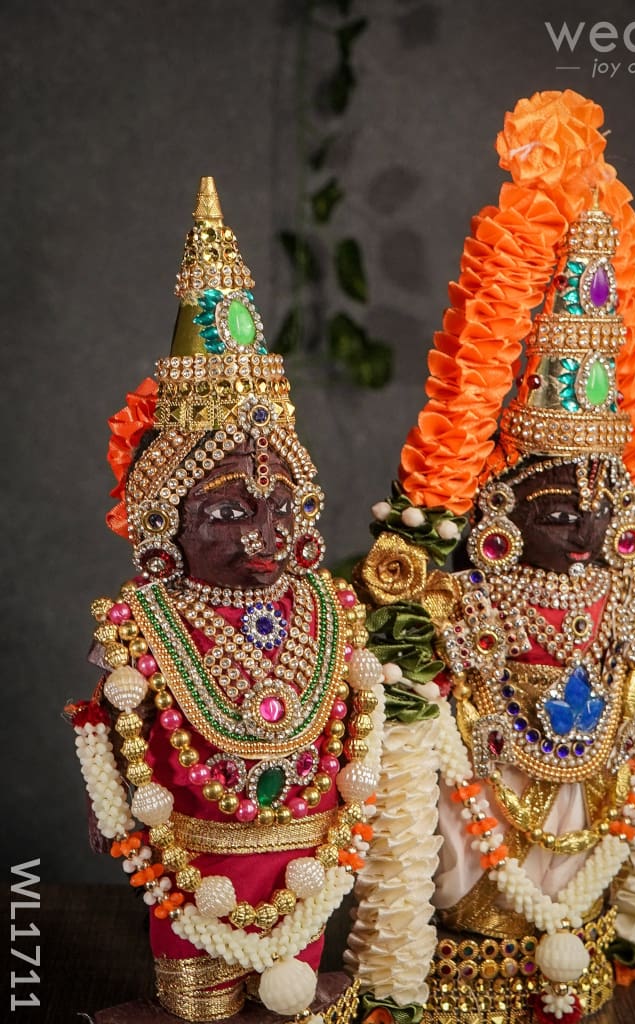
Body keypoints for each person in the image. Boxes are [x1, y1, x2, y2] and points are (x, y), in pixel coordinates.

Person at [348, 92, 635, 1024]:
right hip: (491, 798)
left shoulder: (625, 588)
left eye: (601, 506)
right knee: (480, 835)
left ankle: (584, 930)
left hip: (586, 798)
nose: (584, 527)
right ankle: (465, 952)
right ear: (500, 517)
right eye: (558, 508)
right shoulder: (475, 590)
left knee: (586, 825)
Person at [67, 178, 384, 1023]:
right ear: (164, 524)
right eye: (228, 512)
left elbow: (360, 711)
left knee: (297, 987)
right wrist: (110, 804)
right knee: (197, 1006)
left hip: (311, 851)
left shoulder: (330, 608)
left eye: (280, 507)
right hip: (191, 846)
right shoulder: (142, 619)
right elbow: (107, 719)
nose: (263, 532)